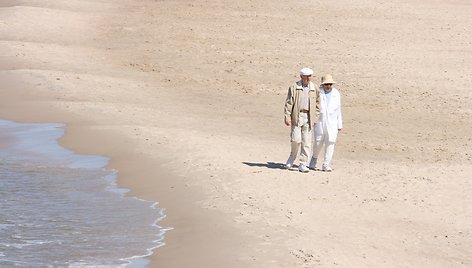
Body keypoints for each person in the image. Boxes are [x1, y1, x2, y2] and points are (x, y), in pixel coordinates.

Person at [284, 67, 320, 173]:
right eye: (306, 76)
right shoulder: (294, 87)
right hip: (297, 115)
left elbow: (318, 104)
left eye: (310, 76)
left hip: (308, 117)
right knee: (296, 139)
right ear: (301, 76)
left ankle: (303, 163)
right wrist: (287, 117)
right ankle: (292, 157)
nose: (308, 78)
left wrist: (315, 117)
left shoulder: (315, 88)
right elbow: (288, 103)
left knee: (307, 142)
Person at [309, 74, 343, 172]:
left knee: (330, 143)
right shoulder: (318, 92)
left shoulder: (336, 93)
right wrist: (313, 120)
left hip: (332, 123)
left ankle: (326, 164)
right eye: (326, 84)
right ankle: (313, 160)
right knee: (318, 142)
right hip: (320, 122)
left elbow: (338, 109)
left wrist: (339, 124)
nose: (328, 86)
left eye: (330, 84)